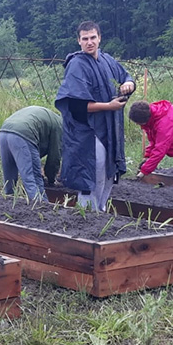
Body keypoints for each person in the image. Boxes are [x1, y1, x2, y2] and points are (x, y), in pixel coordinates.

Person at [54, 21, 135, 212]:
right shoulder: (77, 65)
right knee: (92, 175)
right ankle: (87, 216)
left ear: (99, 38)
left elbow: (126, 76)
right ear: (79, 41)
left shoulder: (107, 61)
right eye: (85, 39)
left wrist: (129, 84)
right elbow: (76, 106)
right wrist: (109, 106)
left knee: (108, 173)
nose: (89, 42)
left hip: (109, 129)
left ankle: (101, 212)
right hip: (87, 132)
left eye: (92, 38)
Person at [0, 106, 62, 201]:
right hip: (23, 134)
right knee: (33, 180)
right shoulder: (60, 126)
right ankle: (42, 210)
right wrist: (51, 179)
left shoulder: (50, 117)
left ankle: (8, 205)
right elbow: (54, 158)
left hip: (4, 132)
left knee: (9, 180)